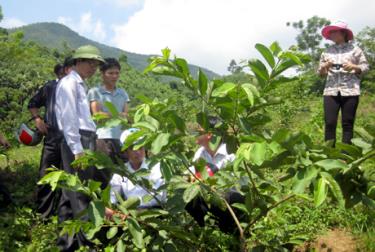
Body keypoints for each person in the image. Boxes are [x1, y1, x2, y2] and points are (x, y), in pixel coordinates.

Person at [54, 45, 108, 251]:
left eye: (95, 65)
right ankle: (87, 243)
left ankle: (67, 244)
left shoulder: (79, 84)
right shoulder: (69, 84)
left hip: (84, 138)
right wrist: (77, 148)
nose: (92, 68)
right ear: (77, 62)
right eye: (89, 63)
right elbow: (68, 119)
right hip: (77, 141)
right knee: (81, 193)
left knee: (70, 193)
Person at [28, 58, 74, 218]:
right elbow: (32, 103)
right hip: (52, 137)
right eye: (62, 74)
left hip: (71, 139)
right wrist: (37, 119)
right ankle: (43, 215)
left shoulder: (76, 88)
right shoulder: (49, 87)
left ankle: (64, 217)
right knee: (46, 175)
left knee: (68, 177)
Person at [186, 117, 244, 233]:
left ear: (209, 134)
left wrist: (203, 179)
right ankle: (205, 229)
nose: (196, 133)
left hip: (233, 196)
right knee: (188, 197)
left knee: (223, 196)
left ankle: (231, 229)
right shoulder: (200, 152)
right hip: (211, 192)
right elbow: (192, 173)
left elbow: (231, 183)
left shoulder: (230, 152)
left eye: (199, 130)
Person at [318, 21, 369, 146]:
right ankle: (329, 155)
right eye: (331, 32)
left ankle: (346, 156)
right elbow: (320, 74)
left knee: (347, 123)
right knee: (329, 123)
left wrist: (354, 67)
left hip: (350, 90)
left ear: (343, 33)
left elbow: (365, 66)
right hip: (330, 90)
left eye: (335, 31)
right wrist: (324, 67)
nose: (332, 34)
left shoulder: (355, 50)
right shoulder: (327, 52)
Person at [105, 128, 166, 219]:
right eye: (132, 148)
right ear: (125, 152)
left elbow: (160, 197)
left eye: (140, 146)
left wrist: (133, 206)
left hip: (155, 213)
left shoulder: (156, 167)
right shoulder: (122, 171)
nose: (137, 151)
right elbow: (113, 195)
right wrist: (112, 209)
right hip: (129, 214)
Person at [87, 58, 130, 163]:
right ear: (102, 73)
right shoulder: (95, 92)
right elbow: (97, 116)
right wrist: (119, 115)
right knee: (104, 173)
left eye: (117, 73)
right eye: (110, 73)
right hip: (102, 137)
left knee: (122, 174)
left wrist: (113, 115)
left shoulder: (123, 93)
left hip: (121, 139)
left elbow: (127, 117)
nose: (114, 76)